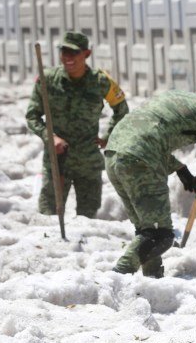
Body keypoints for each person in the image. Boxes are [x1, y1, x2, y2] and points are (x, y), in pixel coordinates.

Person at [105, 79, 196, 278]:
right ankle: (115, 279)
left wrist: (180, 168)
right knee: (161, 236)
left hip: (114, 153)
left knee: (148, 230)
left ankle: (153, 279)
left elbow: (147, 133)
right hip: (141, 158)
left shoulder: (174, 96)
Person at [26, 31, 128, 219]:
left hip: (88, 163)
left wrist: (108, 137)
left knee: (88, 219)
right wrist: (51, 137)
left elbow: (122, 110)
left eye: (73, 52)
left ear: (86, 54)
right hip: (57, 162)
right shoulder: (47, 80)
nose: (68, 57)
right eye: (64, 52)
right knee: (48, 217)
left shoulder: (101, 81)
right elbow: (32, 116)